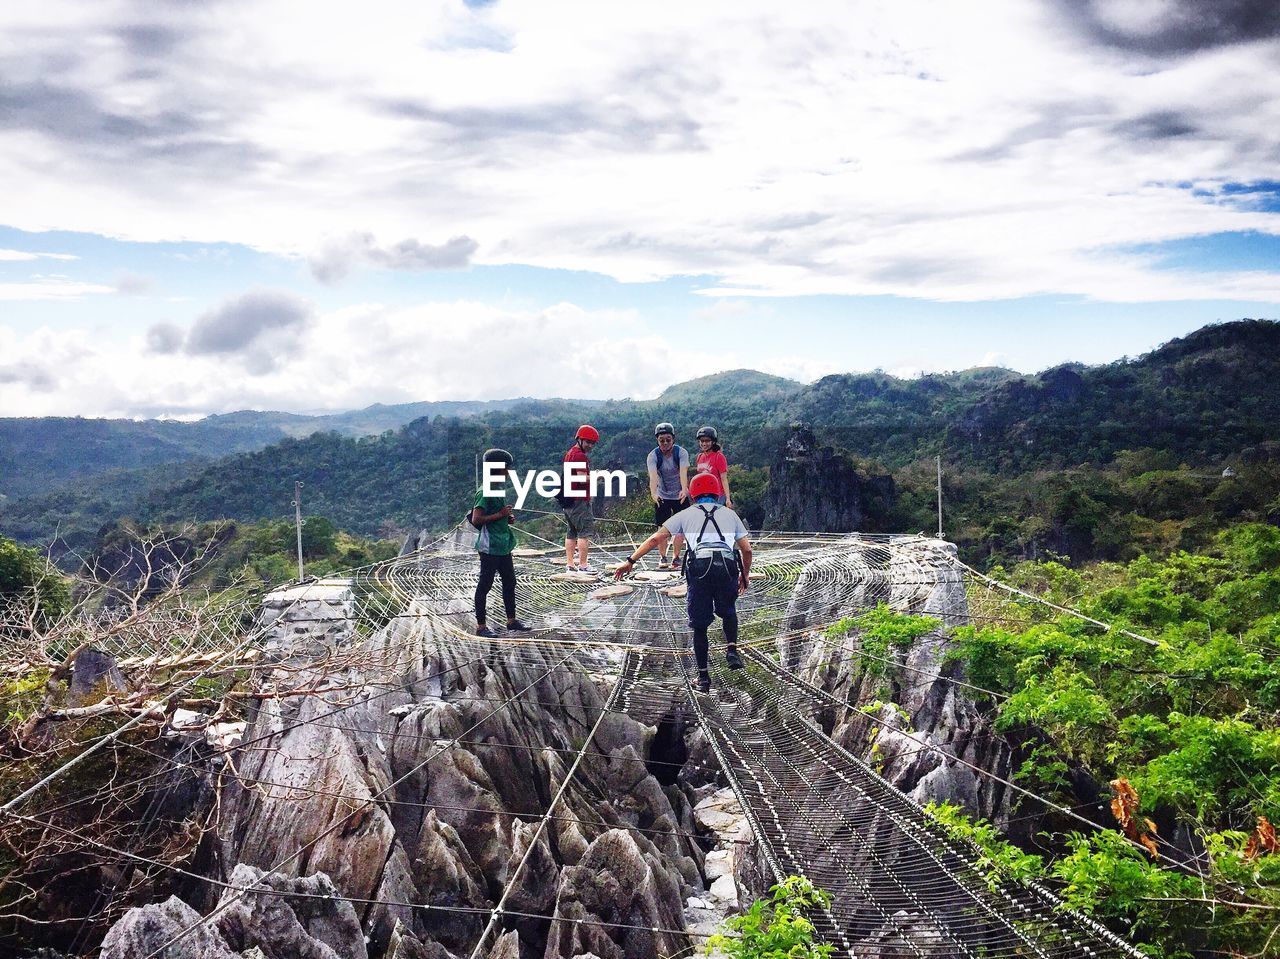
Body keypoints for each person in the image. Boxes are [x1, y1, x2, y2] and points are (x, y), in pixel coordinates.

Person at [614, 473, 751, 693]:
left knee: (699, 625)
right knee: (728, 611)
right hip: (727, 566)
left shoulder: (685, 514)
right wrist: (744, 575)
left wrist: (631, 561)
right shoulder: (729, 514)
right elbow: (747, 549)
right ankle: (732, 650)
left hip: (700, 568)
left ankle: (704, 678)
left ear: (693, 495)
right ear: (717, 493)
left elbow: (655, 539)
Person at [471, 448, 531, 637]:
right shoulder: (483, 491)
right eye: (506, 468)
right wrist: (500, 515)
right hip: (490, 547)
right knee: (485, 585)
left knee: (509, 581)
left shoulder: (495, 488)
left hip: (503, 544)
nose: (508, 471)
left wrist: (506, 518)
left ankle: (511, 621)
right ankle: (481, 627)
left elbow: (496, 516)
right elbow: (476, 519)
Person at [646, 422, 689, 569]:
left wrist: (685, 489)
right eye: (661, 440)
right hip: (663, 495)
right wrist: (653, 493)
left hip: (679, 494)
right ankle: (663, 557)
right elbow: (653, 477)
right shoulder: (653, 456)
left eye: (668, 440)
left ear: (673, 439)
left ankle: (676, 557)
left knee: (681, 528)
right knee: (662, 527)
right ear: (657, 440)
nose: (665, 443)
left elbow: (683, 472)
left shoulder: (681, 453)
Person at [562, 424, 599, 574]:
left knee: (571, 532)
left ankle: (570, 565)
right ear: (579, 439)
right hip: (579, 500)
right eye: (588, 442)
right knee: (585, 532)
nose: (590, 446)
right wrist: (599, 475)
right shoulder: (579, 455)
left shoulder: (570, 453)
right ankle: (583, 566)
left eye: (592, 443)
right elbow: (582, 478)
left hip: (568, 499)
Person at [694, 426, 732, 509]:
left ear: (713, 442)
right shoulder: (700, 457)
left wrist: (728, 498)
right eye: (702, 441)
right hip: (703, 496)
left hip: (718, 495)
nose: (704, 444)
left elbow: (724, 479)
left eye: (707, 441)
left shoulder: (718, 456)